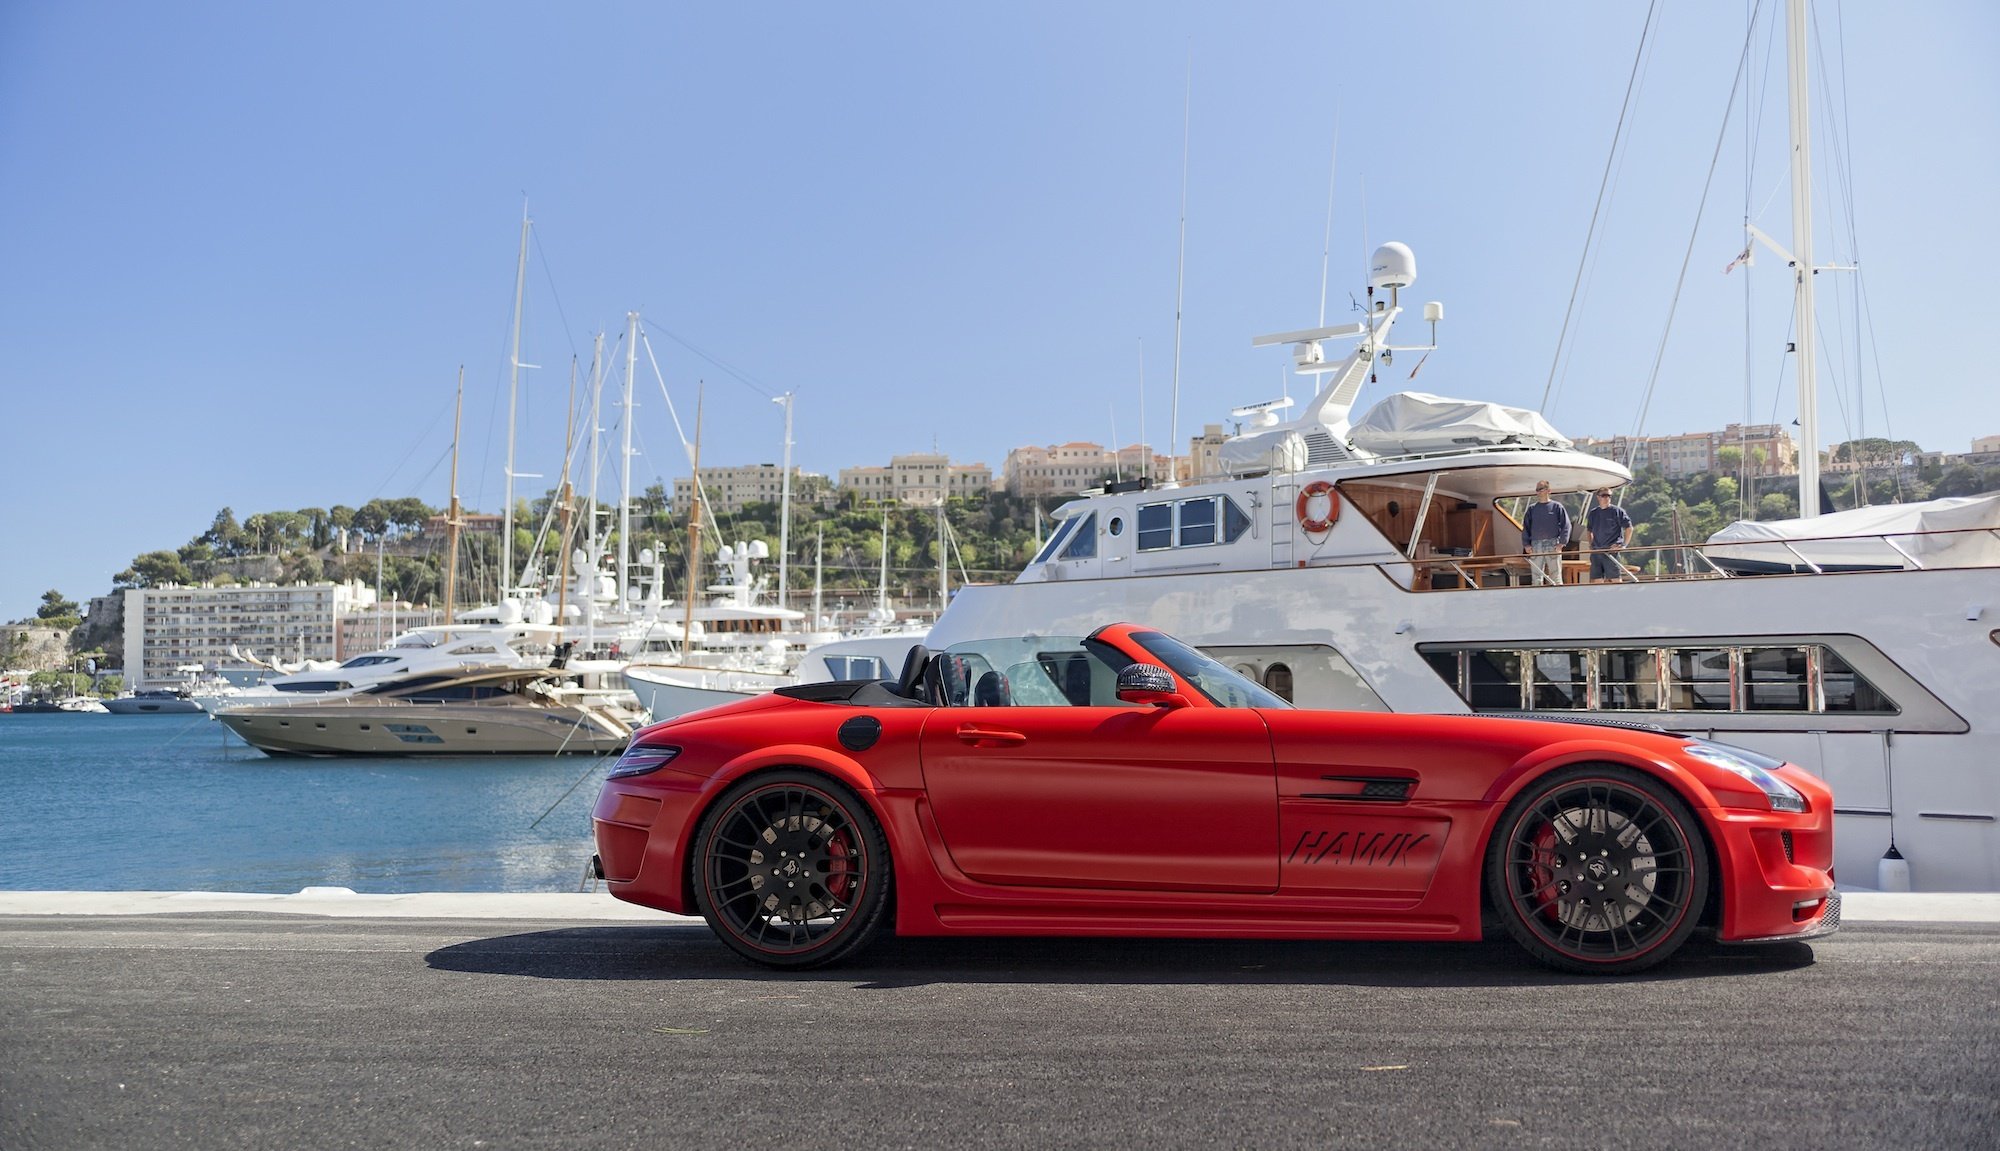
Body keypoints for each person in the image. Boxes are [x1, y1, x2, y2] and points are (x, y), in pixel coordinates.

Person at [1521, 480, 1570, 586]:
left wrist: (1561, 543)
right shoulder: (1532, 509)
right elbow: (1526, 527)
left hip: (1552, 544)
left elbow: (1566, 525)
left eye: (1540, 489)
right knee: (1536, 578)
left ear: (1549, 491)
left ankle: (1558, 599)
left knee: (1556, 576)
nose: (1538, 492)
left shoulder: (1557, 507)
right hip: (1536, 545)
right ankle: (1538, 600)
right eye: (1537, 490)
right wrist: (1527, 544)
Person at [1585, 488, 1636, 583]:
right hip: (1596, 552)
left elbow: (1629, 528)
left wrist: (1624, 545)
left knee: (1615, 579)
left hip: (1612, 552)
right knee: (1597, 580)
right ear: (1598, 497)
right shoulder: (1593, 513)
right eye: (1604, 495)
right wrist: (1591, 545)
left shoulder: (1617, 511)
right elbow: (1589, 530)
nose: (1607, 497)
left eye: (1609, 495)